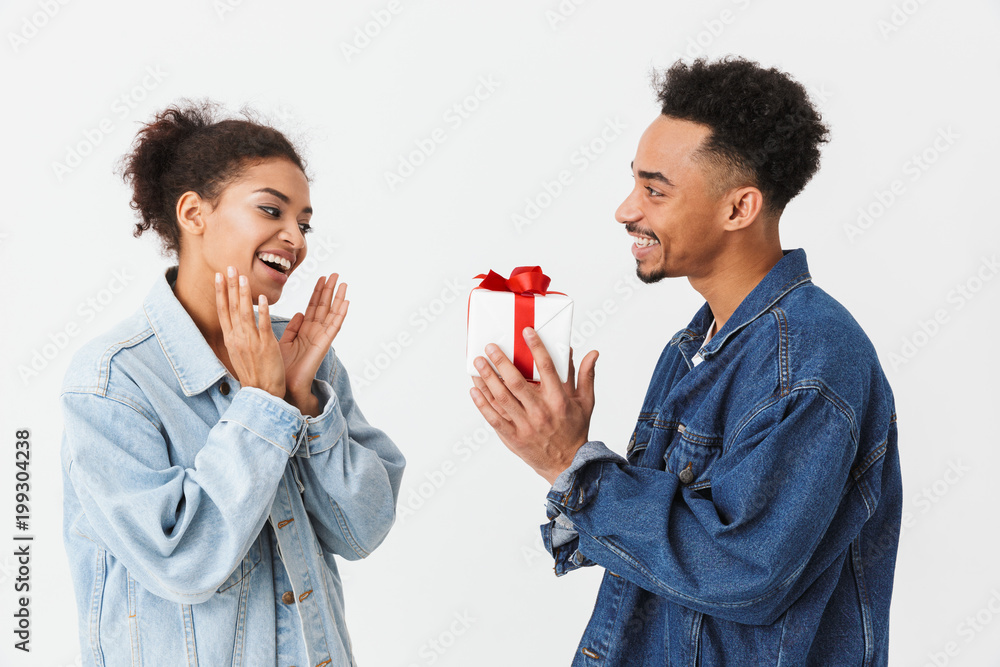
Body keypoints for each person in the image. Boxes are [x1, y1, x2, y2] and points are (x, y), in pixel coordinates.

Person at [469, 56, 901, 665]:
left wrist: (571, 464)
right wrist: (562, 464)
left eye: (654, 190)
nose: (626, 210)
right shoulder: (693, 347)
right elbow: (660, 557)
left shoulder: (810, 362)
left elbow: (742, 571)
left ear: (738, 208)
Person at [60, 100, 405, 666]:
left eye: (304, 223)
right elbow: (184, 562)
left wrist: (305, 399)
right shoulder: (112, 379)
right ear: (194, 213)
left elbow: (361, 530)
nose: (294, 237)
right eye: (271, 210)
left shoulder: (303, 355)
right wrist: (263, 405)